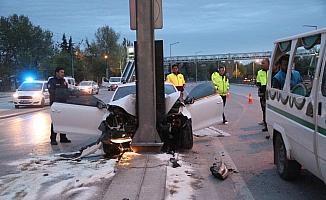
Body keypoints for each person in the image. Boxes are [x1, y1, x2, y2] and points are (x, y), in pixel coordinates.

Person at [48, 67, 71, 145]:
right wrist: (62, 93)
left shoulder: (64, 81)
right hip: (55, 103)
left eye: (63, 72)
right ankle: (53, 139)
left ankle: (63, 137)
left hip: (63, 103)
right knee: (55, 121)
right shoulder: (52, 81)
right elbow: (52, 91)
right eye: (61, 72)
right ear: (57, 73)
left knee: (63, 121)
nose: (63, 74)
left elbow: (66, 91)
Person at [256, 58, 269, 132]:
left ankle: (268, 124)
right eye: (261, 63)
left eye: (263, 63)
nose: (262, 64)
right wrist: (260, 88)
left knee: (269, 109)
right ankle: (265, 123)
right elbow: (258, 82)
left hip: (270, 92)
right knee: (263, 109)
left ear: (268, 63)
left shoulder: (271, 71)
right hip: (263, 92)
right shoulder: (259, 72)